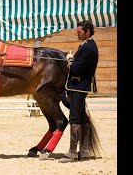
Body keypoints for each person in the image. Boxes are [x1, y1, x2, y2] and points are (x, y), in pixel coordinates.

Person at [58, 20, 99, 163]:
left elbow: (75, 69)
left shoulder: (89, 48)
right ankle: (84, 151)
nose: (77, 33)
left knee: (74, 118)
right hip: (78, 86)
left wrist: (70, 60)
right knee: (81, 117)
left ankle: (72, 153)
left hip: (78, 87)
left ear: (87, 32)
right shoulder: (87, 46)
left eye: (80, 31)